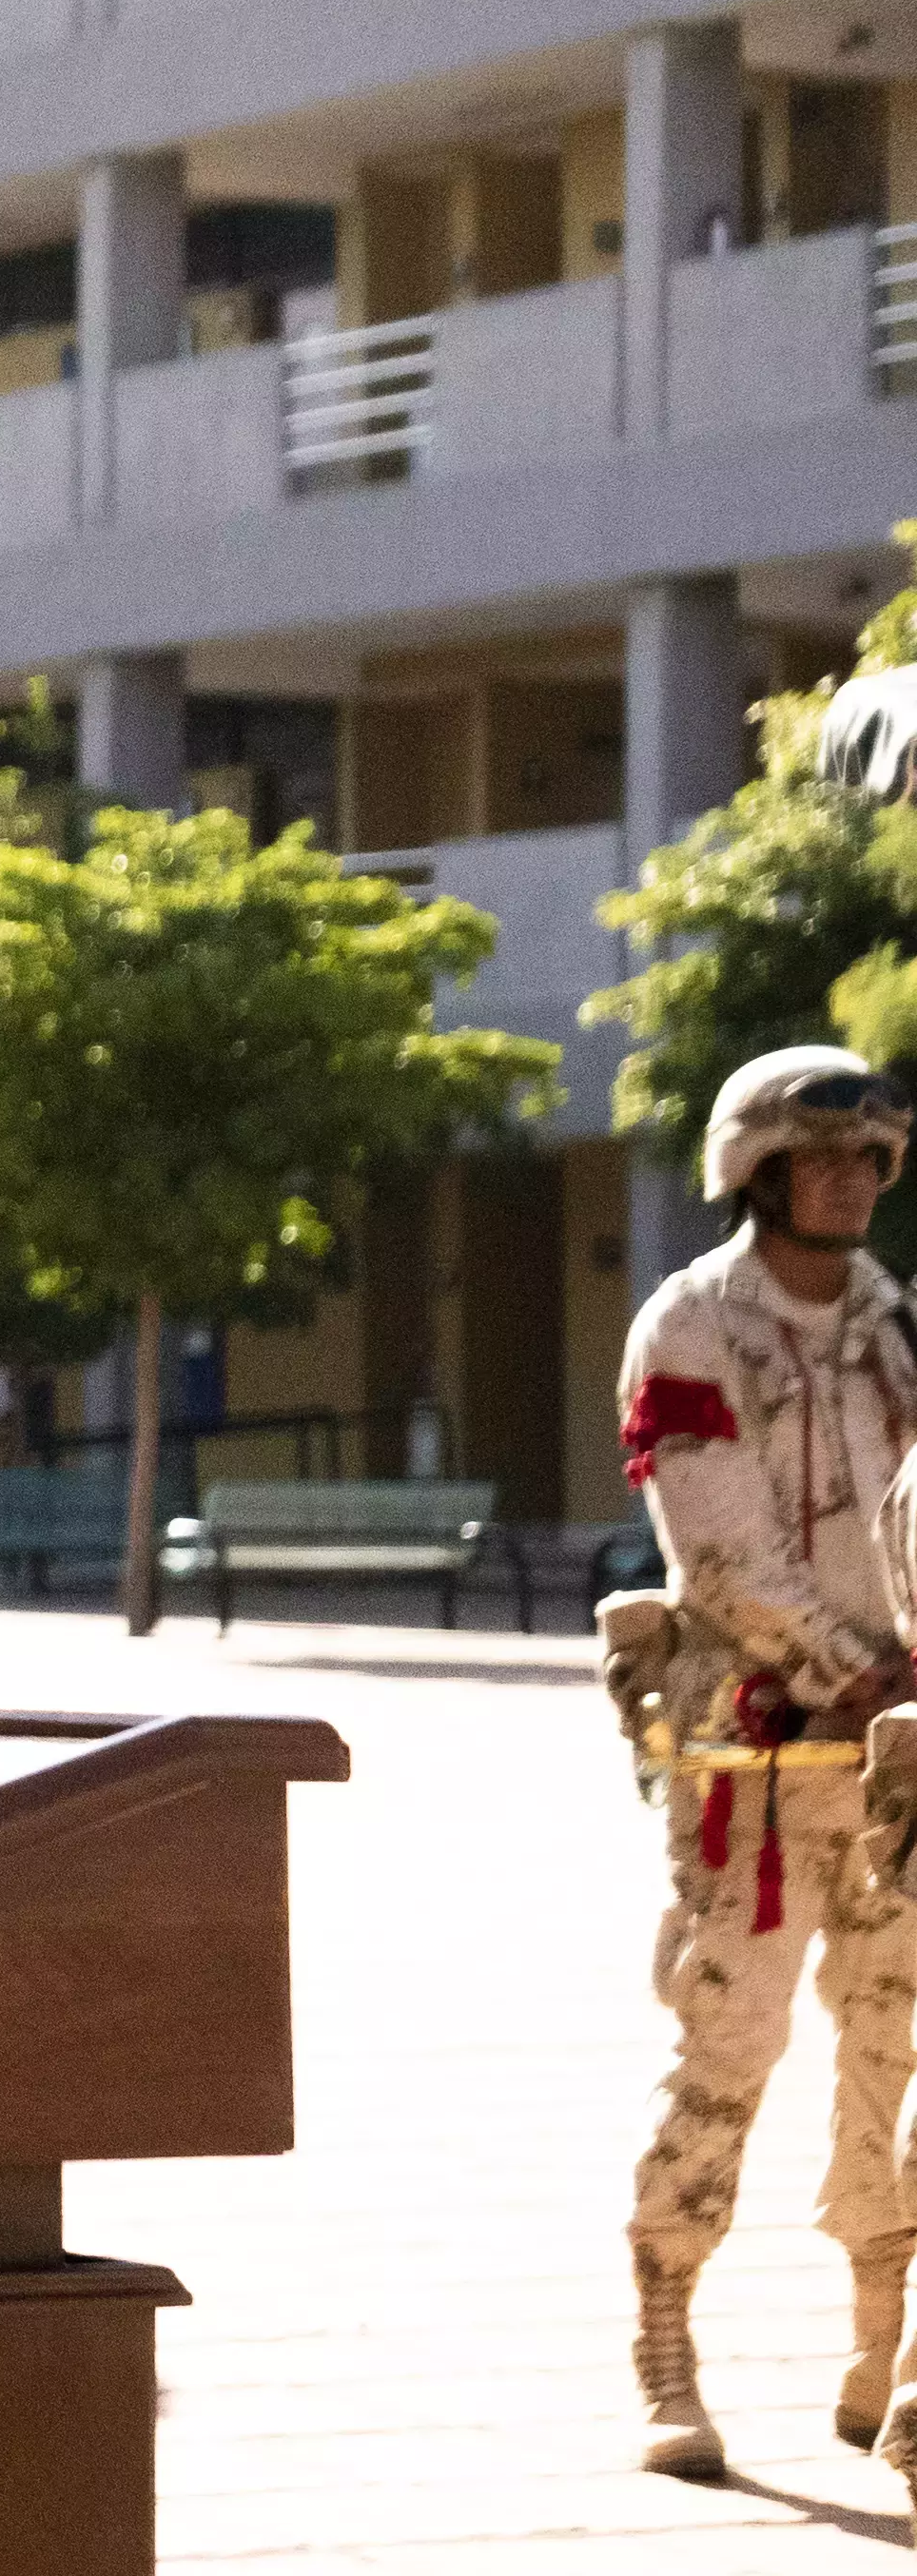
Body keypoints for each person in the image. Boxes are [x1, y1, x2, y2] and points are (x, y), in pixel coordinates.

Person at [609, 1045, 917, 2480]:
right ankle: (667, 2326)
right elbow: (719, 1546)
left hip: (899, 1751)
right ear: (761, 1169)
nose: (853, 1179)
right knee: (732, 2034)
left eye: (870, 1158)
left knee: (895, 2035)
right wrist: (858, 1666)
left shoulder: (890, 1327)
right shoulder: (690, 1325)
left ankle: (881, 2341)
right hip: (761, 1747)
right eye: (827, 1157)